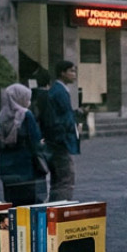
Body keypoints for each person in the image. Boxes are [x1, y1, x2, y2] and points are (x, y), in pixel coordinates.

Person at [0, 84, 47, 206]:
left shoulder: (2, 116)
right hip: (26, 169)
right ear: (20, 98)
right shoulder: (26, 115)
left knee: (13, 205)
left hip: (7, 169)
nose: (29, 101)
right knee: (30, 206)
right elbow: (35, 141)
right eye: (27, 98)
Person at [42, 60, 79, 200]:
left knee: (59, 180)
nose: (74, 74)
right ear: (62, 73)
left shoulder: (58, 90)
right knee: (65, 179)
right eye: (71, 71)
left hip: (56, 141)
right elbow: (64, 118)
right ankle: (61, 210)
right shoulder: (59, 91)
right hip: (59, 143)